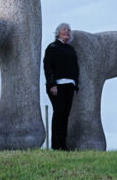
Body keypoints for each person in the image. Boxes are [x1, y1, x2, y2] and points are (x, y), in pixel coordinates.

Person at [42, 22, 79, 150]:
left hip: (70, 85)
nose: (66, 32)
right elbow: (48, 67)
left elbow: (75, 67)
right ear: (58, 32)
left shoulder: (70, 49)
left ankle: (63, 144)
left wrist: (75, 84)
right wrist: (52, 84)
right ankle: (56, 145)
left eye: (68, 30)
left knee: (65, 115)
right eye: (64, 30)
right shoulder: (52, 47)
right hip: (57, 86)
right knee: (58, 113)